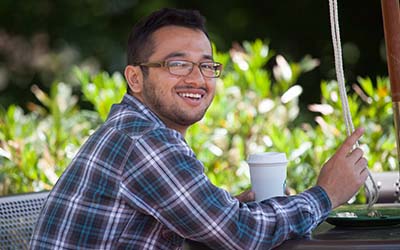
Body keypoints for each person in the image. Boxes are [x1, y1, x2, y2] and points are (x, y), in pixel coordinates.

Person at [29, 7, 368, 250]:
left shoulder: (138, 129)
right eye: (177, 64)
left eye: (206, 65)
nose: (197, 78)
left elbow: (221, 227)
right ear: (135, 78)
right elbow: (240, 236)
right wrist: (326, 194)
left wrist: (225, 210)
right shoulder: (143, 139)